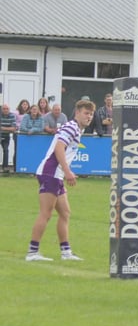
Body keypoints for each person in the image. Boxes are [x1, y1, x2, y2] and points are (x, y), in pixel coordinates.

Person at [26, 99, 95, 261]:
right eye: (86, 113)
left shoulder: (76, 129)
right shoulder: (71, 127)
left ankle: (66, 252)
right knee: (46, 213)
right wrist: (67, 171)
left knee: (65, 213)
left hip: (56, 174)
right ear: (77, 112)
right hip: (51, 173)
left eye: (91, 114)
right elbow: (59, 148)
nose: (89, 117)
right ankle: (32, 252)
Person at [1, 104, 17, 173]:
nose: (5, 110)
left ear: (9, 109)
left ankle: (5, 167)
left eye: (7, 109)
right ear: (1, 109)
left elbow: (13, 128)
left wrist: (3, 128)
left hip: (6, 136)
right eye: (4, 109)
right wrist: (8, 129)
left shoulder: (12, 115)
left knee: (6, 150)